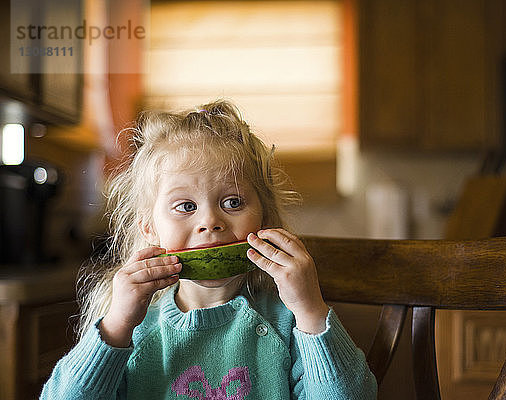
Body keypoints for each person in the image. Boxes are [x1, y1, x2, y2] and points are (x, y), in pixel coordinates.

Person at [41, 100, 377, 399]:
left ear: (264, 219)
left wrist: (311, 310)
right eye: (186, 206)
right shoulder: (134, 327)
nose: (210, 222)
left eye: (232, 202)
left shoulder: (288, 322)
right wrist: (115, 327)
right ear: (149, 227)